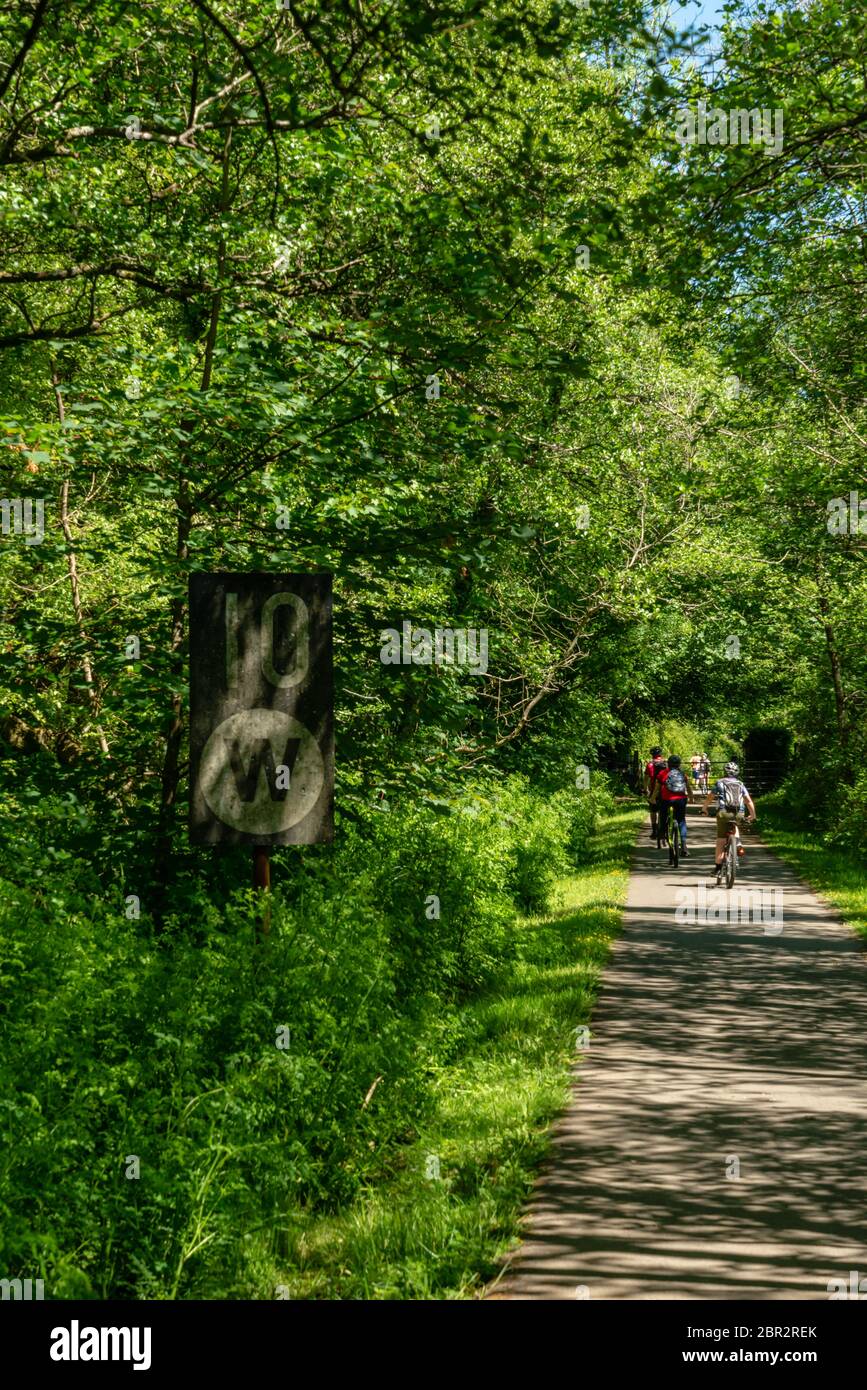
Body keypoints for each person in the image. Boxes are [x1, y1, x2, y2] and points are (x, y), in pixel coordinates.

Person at [704, 760, 756, 883]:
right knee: (735, 824)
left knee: (721, 841)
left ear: (725, 771)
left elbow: (710, 797)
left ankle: (717, 868)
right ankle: (737, 843)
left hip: (723, 813)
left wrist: (704, 809)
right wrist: (752, 815)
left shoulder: (719, 782)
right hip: (739, 813)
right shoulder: (741, 784)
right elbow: (748, 801)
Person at [652, 754, 693, 856]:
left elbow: (657, 789)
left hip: (666, 800)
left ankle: (661, 833)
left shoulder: (663, 773)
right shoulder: (683, 774)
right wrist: (691, 798)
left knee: (662, 815)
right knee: (681, 821)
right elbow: (688, 788)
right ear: (679, 764)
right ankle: (683, 846)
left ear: (668, 764)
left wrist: (652, 798)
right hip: (680, 800)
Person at [643, 746, 667, 839]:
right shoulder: (665, 763)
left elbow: (646, 779)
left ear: (652, 754)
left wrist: (646, 790)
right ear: (660, 754)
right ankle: (664, 830)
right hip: (665, 790)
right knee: (664, 810)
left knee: (653, 810)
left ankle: (654, 831)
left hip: (654, 789)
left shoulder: (649, 765)